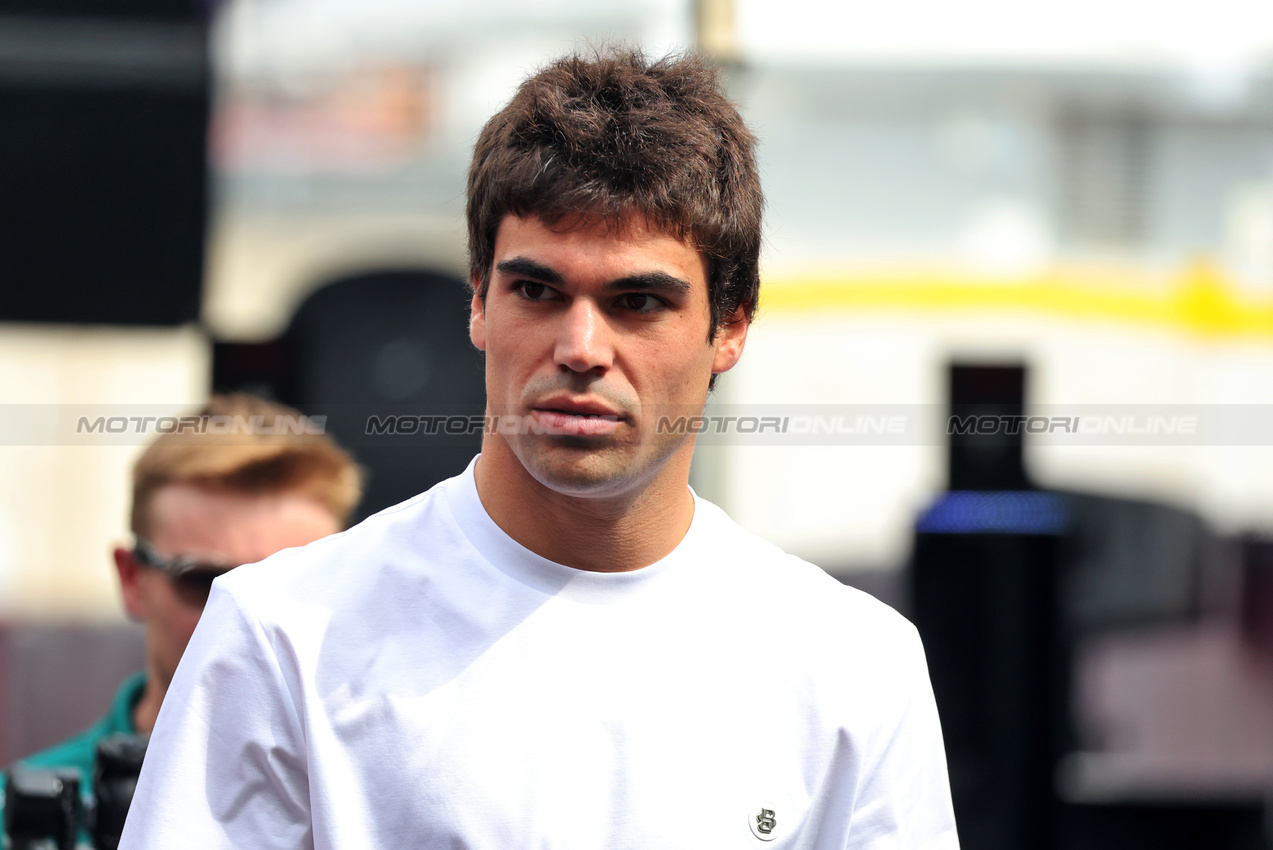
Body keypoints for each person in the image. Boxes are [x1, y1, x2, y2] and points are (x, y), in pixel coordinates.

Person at [121, 49, 959, 848]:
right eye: (537, 290)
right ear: (478, 303)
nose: (581, 347)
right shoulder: (283, 632)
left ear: (731, 325)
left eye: (637, 301)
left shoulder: (851, 666)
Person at [2, 394, 361, 815]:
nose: (250, 623)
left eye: (294, 586)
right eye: (205, 581)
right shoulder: (18, 819)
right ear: (133, 580)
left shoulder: (389, 807)